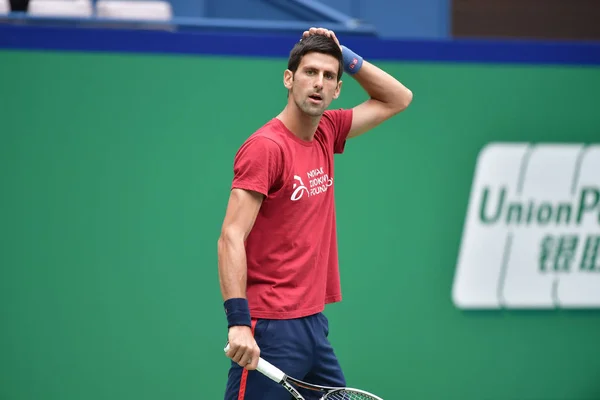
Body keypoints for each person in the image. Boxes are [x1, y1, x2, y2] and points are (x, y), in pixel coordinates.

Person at [218, 27, 413, 399]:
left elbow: (398, 98)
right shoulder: (265, 148)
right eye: (310, 72)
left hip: (312, 324)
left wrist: (345, 54)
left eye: (328, 76)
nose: (318, 83)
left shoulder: (327, 131)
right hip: (269, 328)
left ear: (338, 88)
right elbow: (231, 236)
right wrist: (239, 324)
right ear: (289, 79)